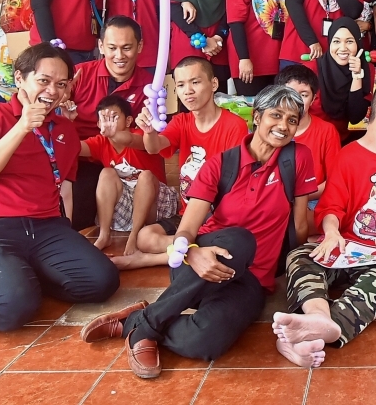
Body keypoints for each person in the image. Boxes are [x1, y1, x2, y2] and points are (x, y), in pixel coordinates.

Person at [81, 85, 317, 377]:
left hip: (252, 279)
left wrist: (297, 268)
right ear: (257, 117)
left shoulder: (298, 158)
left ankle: (138, 321)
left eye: (292, 120)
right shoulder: (221, 164)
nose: (283, 125)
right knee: (241, 240)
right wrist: (192, 253)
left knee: (206, 340)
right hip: (199, 265)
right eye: (276, 115)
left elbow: (300, 224)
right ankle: (149, 326)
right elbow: (187, 229)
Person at [0, 43, 119, 331]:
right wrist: (23, 126)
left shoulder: (64, 130)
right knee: (10, 309)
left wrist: (68, 235)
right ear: (20, 78)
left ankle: (21, 279)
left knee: (102, 282)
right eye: (44, 81)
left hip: (44, 226)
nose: (52, 91)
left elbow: (64, 188)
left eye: (61, 84)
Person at [272, 80, 376, 366]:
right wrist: (331, 233)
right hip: (348, 246)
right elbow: (331, 207)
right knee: (300, 256)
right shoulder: (348, 155)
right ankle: (318, 318)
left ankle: (316, 334)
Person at [111, 57, 250, 270]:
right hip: (188, 215)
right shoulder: (181, 122)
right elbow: (154, 147)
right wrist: (149, 131)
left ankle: (151, 259)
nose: (188, 91)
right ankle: (197, 249)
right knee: (145, 237)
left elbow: (233, 183)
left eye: (195, 82)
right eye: (181, 85)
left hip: (219, 216)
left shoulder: (235, 126)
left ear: (213, 84)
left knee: (230, 241)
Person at [67, 16, 154, 230]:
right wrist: (60, 99)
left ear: (140, 46)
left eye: (127, 48)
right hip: (78, 156)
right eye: (112, 48)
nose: (119, 56)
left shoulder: (150, 87)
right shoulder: (79, 75)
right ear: (101, 46)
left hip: (120, 163)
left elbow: (151, 143)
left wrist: (120, 136)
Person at [79, 95, 175, 254]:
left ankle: (134, 236)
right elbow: (74, 148)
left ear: (129, 121)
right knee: (107, 173)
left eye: (114, 117)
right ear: (98, 124)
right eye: (104, 119)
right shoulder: (101, 141)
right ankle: (104, 235)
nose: (108, 122)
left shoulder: (142, 134)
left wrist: (114, 134)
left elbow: (130, 140)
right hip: (127, 207)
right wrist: (66, 122)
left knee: (145, 176)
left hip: (155, 204)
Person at [275, 65, 341, 231]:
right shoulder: (269, 129)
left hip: (313, 199)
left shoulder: (326, 131)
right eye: (289, 93)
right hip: (275, 198)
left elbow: (334, 181)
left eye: (303, 95)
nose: (296, 100)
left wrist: (299, 197)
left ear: (313, 100)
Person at [314, 17, 373, 140]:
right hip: (313, 140)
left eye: (349, 41)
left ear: (358, 43)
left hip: (342, 140)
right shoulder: (312, 69)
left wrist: (357, 76)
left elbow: (355, 117)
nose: (343, 48)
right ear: (329, 43)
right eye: (336, 41)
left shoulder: (367, 70)